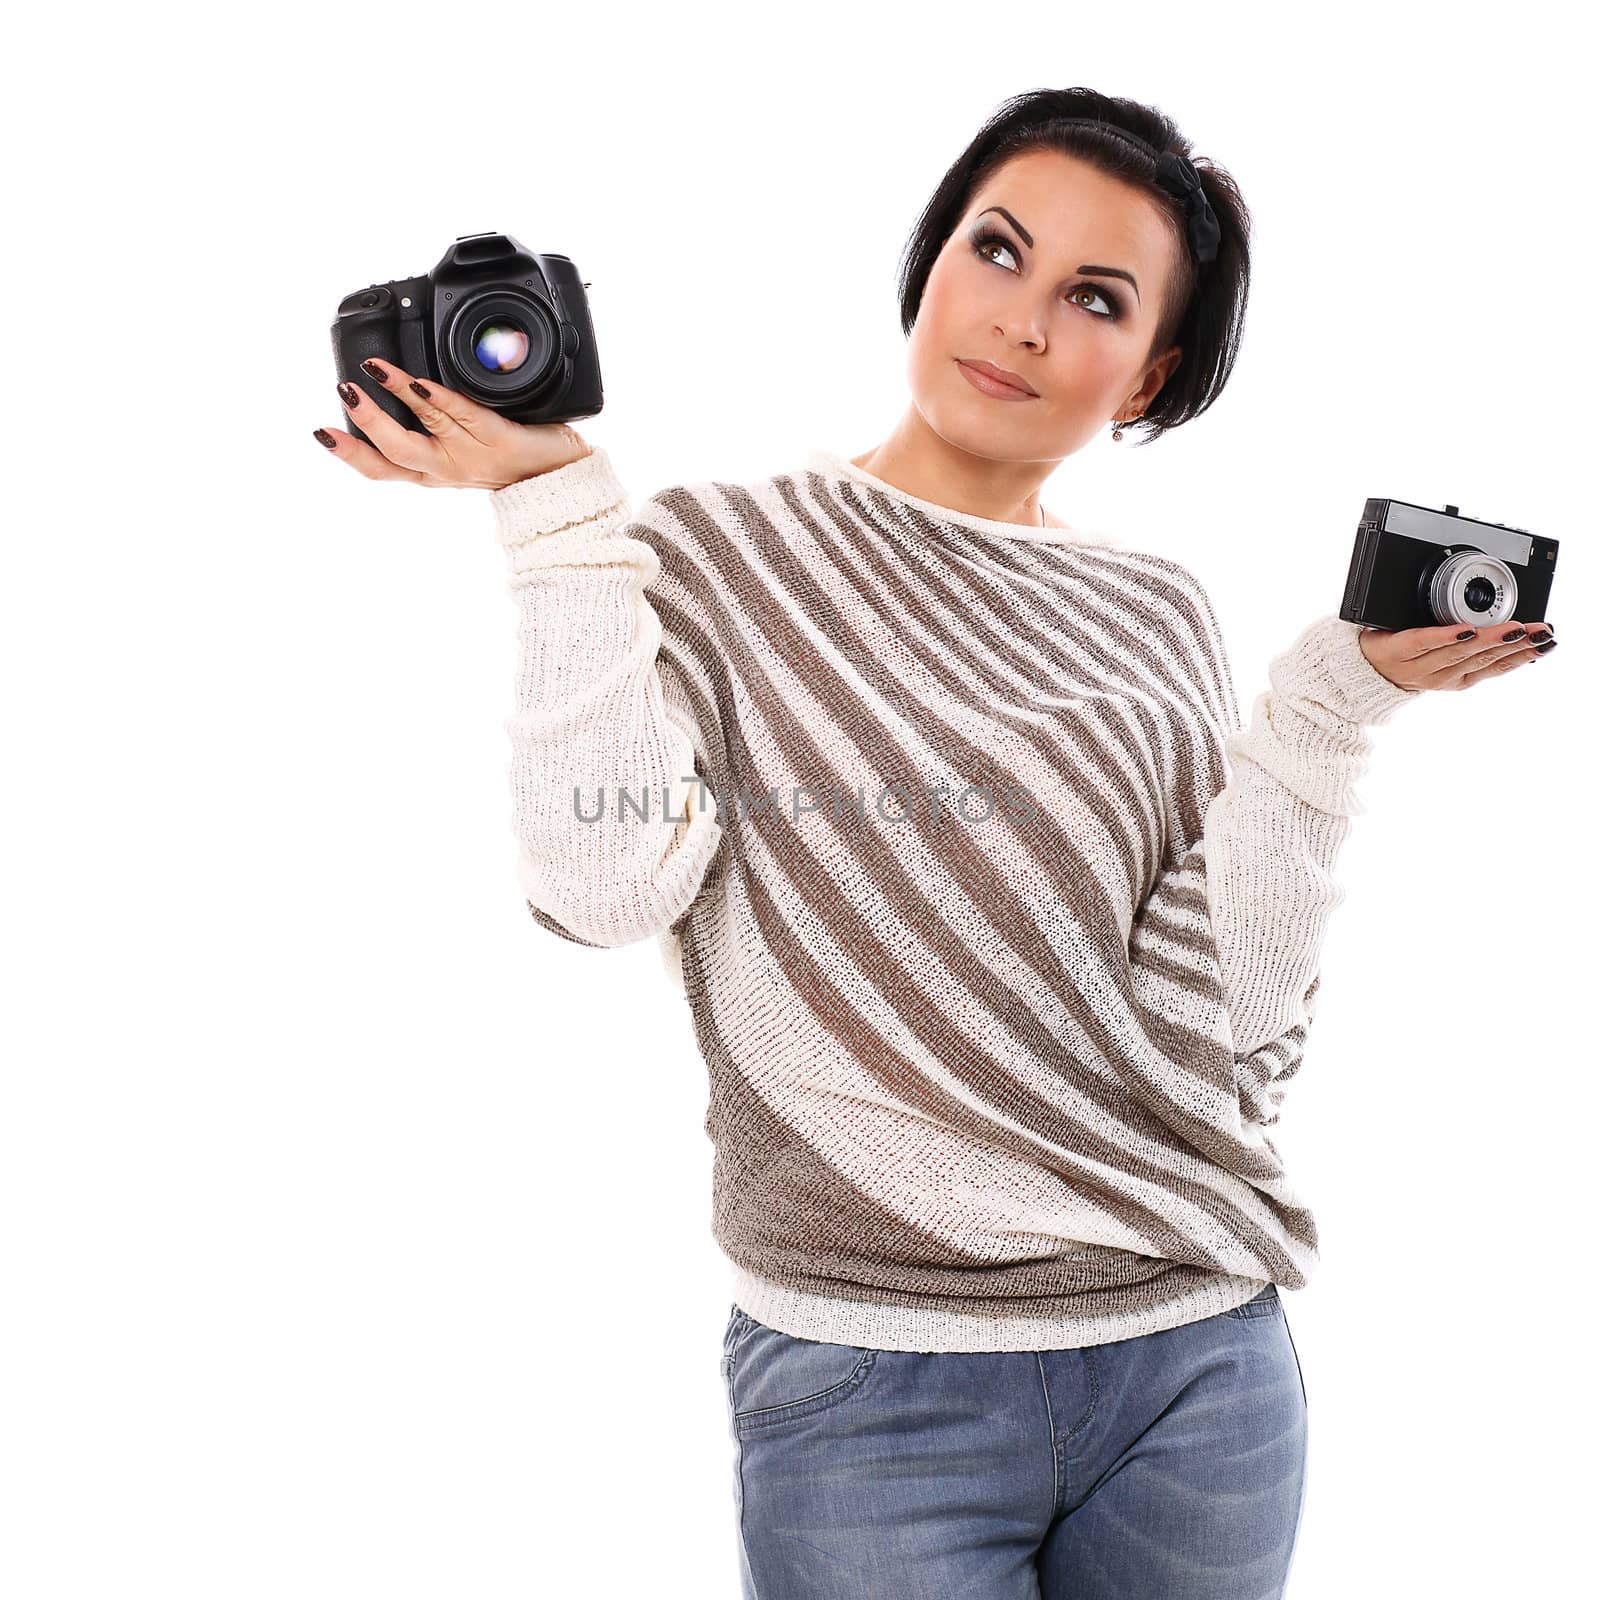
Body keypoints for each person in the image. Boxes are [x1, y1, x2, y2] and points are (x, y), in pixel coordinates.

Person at [315, 85, 1556, 1600]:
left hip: (1199, 1374)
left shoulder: (1156, 609)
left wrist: (1328, 704)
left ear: (1149, 370)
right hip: (870, 1395)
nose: (1023, 320)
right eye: (997, 250)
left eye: (1093, 297)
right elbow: (599, 882)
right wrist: (556, 513)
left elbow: (1225, 1026)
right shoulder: (712, 552)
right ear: (933, 265)